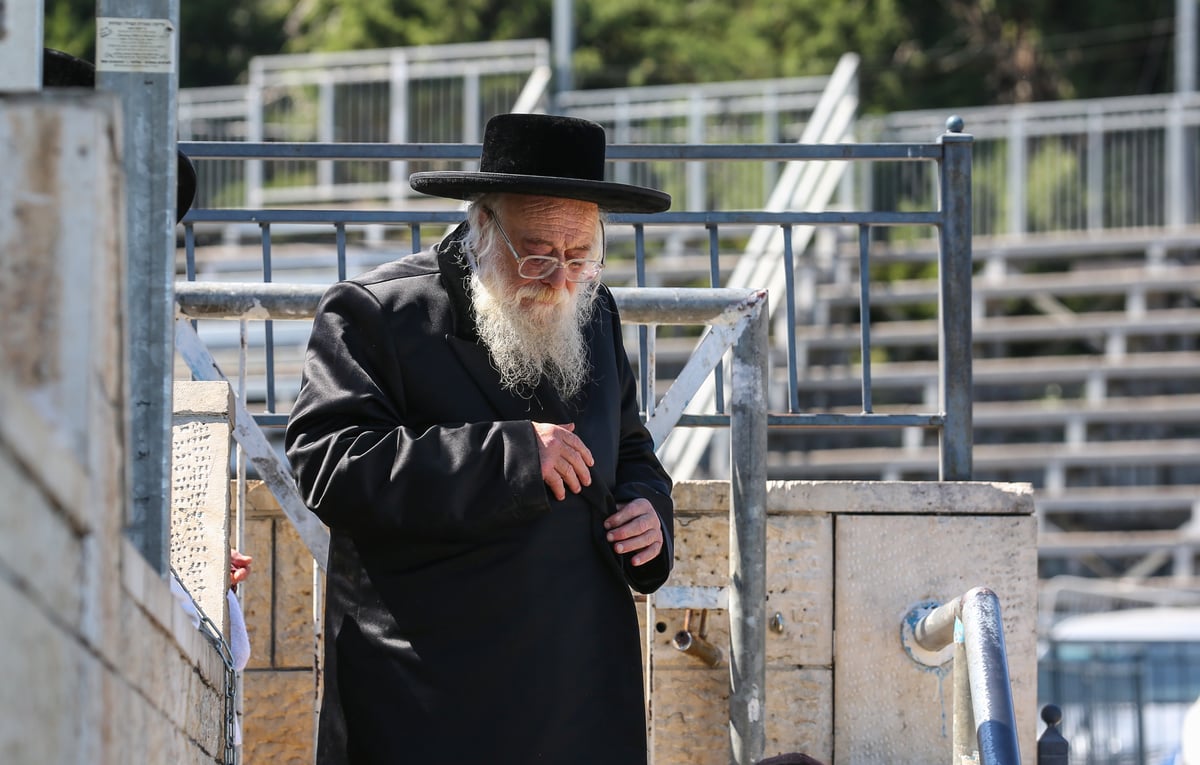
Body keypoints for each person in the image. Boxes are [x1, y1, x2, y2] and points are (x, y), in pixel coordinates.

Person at [285, 113, 676, 764]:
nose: (560, 279)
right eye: (538, 254)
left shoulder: (595, 308)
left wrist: (649, 511)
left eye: (580, 255)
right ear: (483, 226)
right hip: (433, 700)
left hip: (582, 696)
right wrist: (513, 456)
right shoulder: (377, 312)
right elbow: (329, 462)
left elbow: (630, 445)